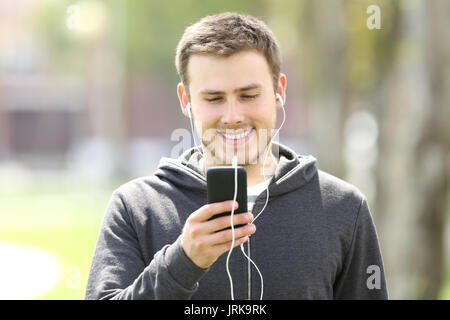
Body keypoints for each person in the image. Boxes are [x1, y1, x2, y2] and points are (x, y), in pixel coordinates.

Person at [85, 12, 388, 300]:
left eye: (249, 95)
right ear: (186, 100)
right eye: (214, 98)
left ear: (279, 91)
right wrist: (182, 262)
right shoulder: (136, 208)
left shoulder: (343, 208)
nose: (232, 116)